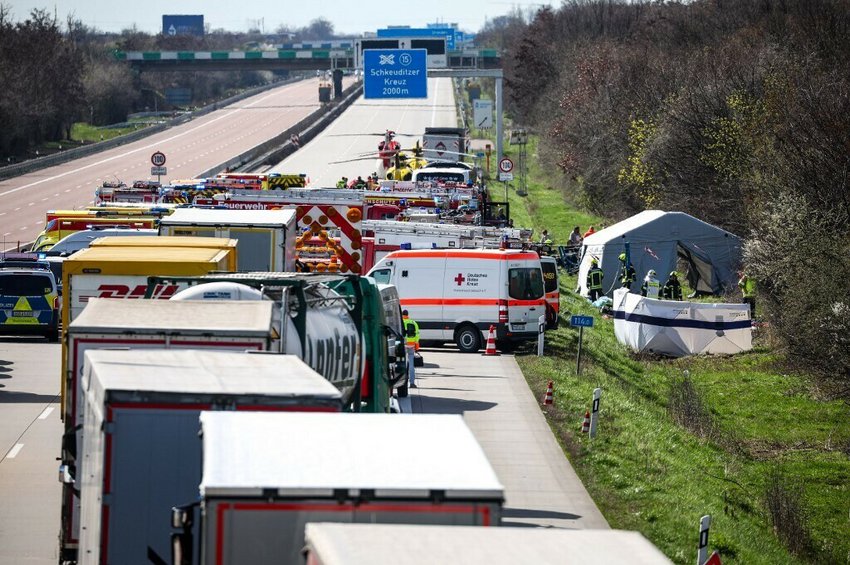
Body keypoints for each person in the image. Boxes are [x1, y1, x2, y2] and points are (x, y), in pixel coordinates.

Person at [402, 310, 420, 389]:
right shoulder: (413, 323)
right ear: (407, 315)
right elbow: (417, 336)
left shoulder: (400, 322)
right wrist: (416, 347)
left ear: (402, 315)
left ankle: (402, 383)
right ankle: (412, 383)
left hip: (402, 346)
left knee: (401, 364)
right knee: (411, 365)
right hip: (411, 346)